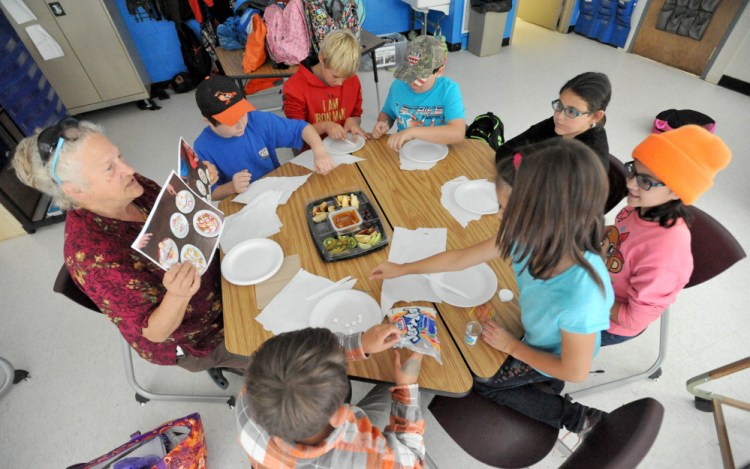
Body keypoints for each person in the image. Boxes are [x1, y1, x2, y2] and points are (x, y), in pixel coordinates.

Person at [370, 139, 613, 435]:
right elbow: (461, 258)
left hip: (553, 354)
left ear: (546, 215)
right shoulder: (528, 232)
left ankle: (574, 417)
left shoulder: (581, 296)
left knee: (483, 382)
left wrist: (512, 346)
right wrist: (403, 269)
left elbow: (575, 370)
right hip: (536, 330)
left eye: (505, 209)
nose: (499, 216)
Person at [12, 118, 248, 371]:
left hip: (219, 278)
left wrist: (196, 189)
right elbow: (154, 332)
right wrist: (178, 295)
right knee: (285, 354)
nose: (128, 168)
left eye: (119, 157)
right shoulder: (92, 257)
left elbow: (176, 222)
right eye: (109, 169)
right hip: (199, 334)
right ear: (76, 191)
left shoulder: (132, 186)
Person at [601, 125, 732, 345]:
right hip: (600, 285)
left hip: (608, 321)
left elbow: (633, 320)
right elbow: (624, 236)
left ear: (676, 190)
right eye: (633, 170)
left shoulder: (665, 253)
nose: (630, 182)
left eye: (645, 181)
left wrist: (591, 291)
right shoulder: (639, 208)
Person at [236, 326, 427, 468]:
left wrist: (361, 344)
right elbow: (415, 461)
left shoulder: (249, 397)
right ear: (341, 415)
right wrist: (406, 388)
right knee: (401, 387)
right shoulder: (366, 457)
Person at [193, 75, 335, 200]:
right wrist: (231, 187)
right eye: (230, 120)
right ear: (207, 120)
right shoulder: (202, 148)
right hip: (243, 203)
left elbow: (302, 128)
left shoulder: (257, 120)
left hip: (277, 190)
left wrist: (320, 151)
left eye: (242, 113)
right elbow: (207, 192)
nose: (241, 123)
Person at [495, 72, 611, 169]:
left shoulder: (590, 160)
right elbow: (505, 151)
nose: (559, 116)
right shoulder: (558, 124)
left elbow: (550, 194)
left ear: (595, 116)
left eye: (572, 111)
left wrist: (520, 164)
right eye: (559, 105)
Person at [371, 35, 466, 152]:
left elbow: (458, 133)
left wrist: (412, 132)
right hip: (405, 150)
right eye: (409, 74)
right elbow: (388, 113)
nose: (412, 82)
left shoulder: (449, 90)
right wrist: (383, 123)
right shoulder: (398, 86)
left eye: (420, 76)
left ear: (439, 71)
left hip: (438, 150)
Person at [282, 30, 367, 142]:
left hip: (344, 145)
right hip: (313, 150)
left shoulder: (353, 80)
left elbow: (356, 114)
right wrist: (324, 126)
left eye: (345, 77)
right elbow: (295, 132)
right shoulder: (294, 87)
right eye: (335, 76)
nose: (340, 83)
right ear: (321, 59)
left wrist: (354, 121)